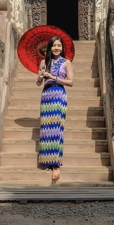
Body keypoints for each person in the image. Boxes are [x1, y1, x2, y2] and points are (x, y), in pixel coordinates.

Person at [35, 35, 74, 183]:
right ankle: (48, 161)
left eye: (59, 45)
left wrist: (53, 77)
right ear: (50, 47)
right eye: (54, 45)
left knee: (57, 128)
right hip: (46, 94)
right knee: (46, 128)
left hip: (59, 94)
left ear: (62, 48)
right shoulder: (43, 62)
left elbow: (71, 82)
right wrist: (40, 77)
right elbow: (38, 83)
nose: (56, 48)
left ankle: (56, 164)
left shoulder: (66, 62)